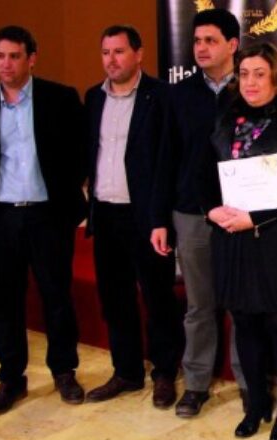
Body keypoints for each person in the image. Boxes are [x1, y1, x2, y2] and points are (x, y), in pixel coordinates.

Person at [198, 41, 277, 440]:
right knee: (244, 321)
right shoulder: (224, 120)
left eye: (260, 74)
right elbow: (203, 174)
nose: (250, 82)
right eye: (244, 74)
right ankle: (256, 404)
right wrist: (211, 209)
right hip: (232, 238)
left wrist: (256, 217)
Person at [0, 26, 87, 416]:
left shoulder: (60, 99)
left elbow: (81, 151)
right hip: (1, 218)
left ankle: (64, 370)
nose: (5, 64)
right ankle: (11, 377)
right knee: (4, 300)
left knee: (56, 296)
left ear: (31, 58)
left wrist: (66, 196)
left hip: (48, 216)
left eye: (14, 56)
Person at [151, 8, 248, 417]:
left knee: (243, 303)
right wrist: (159, 218)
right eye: (196, 41)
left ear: (232, 45)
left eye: (211, 40)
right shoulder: (178, 95)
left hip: (242, 214)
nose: (201, 48)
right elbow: (165, 158)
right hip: (191, 214)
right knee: (199, 305)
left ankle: (250, 381)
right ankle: (195, 384)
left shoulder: (251, 88)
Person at [83, 25, 184, 409]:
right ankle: (126, 371)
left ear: (138, 54)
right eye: (105, 52)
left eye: (119, 51)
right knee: (115, 298)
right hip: (106, 213)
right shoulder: (94, 97)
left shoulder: (162, 96)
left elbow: (168, 161)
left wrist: (161, 218)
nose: (111, 59)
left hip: (147, 218)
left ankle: (164, 372)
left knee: (158, 298)